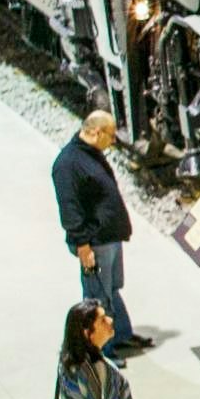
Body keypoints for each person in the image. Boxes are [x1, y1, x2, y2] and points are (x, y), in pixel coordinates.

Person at [53, 108, 144, 356]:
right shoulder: (68, 164)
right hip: (94, 244)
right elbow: (69, 209)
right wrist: (83, 246)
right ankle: (102, 348)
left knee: (111, 289)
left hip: (109, 239)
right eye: (110, 135)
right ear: (95, 131)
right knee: (97, 296)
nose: (112, 141)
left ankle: (121, 334)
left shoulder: (90, 154)